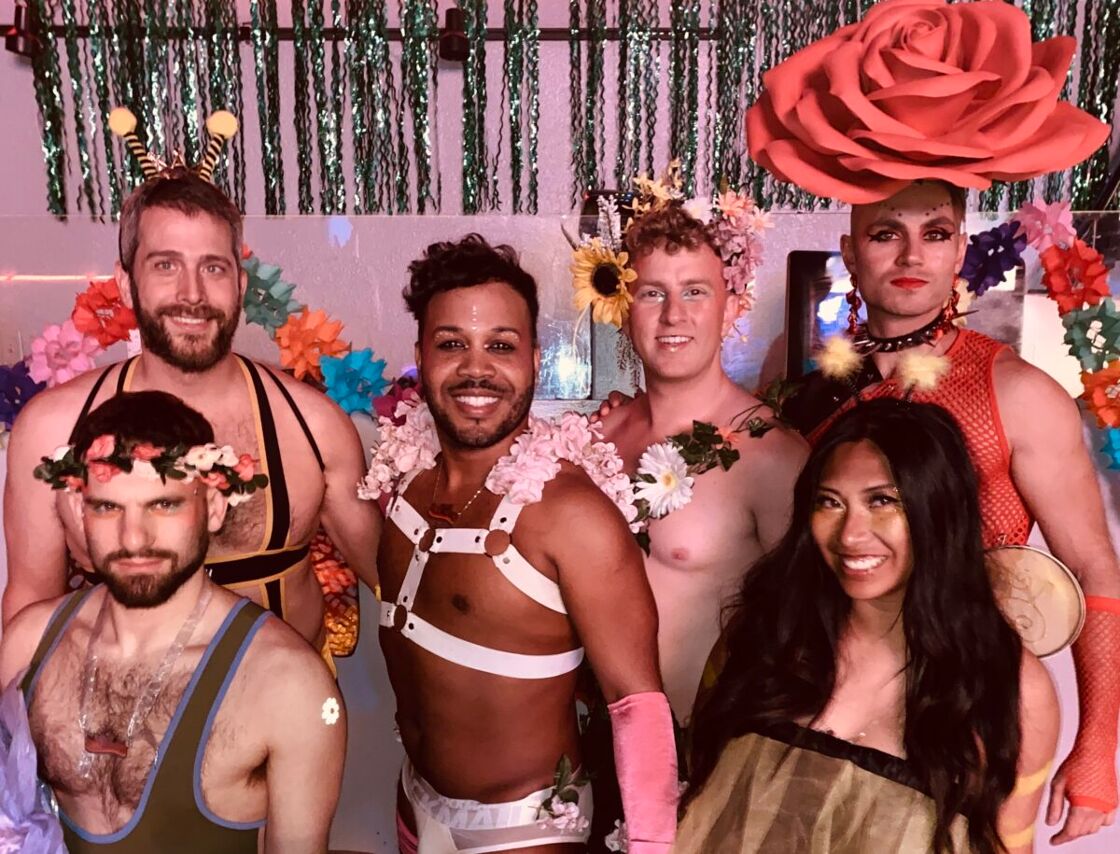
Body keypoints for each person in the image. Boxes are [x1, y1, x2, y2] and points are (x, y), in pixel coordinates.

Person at [746, 0, 1120, 839]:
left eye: (936, 231)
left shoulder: (1015, 391)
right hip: (829, 714)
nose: (911, 256)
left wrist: (1099, 748)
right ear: (849, 250)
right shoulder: (795, 379)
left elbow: (1097, 567)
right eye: (886, 234)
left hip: (973, 719)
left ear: (960, 248)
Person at [365, 234, 677, 853]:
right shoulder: (400, 479)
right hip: (411, 805)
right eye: (451, 344)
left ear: (535, 359)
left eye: (500, 346)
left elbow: (636, 706)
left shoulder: (571, 515)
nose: (476, 368)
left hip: (526, 834)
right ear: (420, 356)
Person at [3, 166, 380, 656]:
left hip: (283, 720)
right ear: (124, 283)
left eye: (213, 268)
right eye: (165, 265)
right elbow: (31, 602)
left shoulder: (312, 424)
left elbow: (395, 585)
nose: (192, 294)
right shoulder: (52, 429)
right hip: (120, 723)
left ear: (241, 285)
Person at [679, 399, 1059, 854]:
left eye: (882, 501)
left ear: (938, 510)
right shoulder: (766, 635)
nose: (851, 534)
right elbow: (697, 800)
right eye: (830, 503)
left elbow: (1007, 845)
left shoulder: (1011, 687)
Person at [0, 390, 345, 853]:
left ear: (215, 508)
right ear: (81, 512)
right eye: (108, 507)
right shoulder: (27, 643)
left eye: (164, 505)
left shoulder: (287, 683)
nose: (134, 537)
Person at [596, 202, 807, 724]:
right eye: (652, 293)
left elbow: (812, 638)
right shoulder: (597, 436)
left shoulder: (771, 455)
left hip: (707, 755)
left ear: (731, 307)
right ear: (625, 308)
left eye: (695, 291)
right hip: (590, 750)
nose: (673, 315)